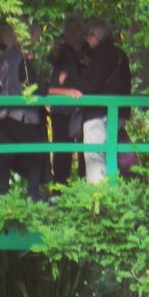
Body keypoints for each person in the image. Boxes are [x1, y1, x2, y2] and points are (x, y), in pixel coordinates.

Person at [0, 30, 50, 201]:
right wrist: (51, 89)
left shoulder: (3, 58)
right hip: (21, 116)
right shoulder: (21, 61)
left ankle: (4, 196)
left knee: (6, 155)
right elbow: (33, 88)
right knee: (38, 151)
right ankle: (32, 194)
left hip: (4, 116)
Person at [73, 17, 131, 183]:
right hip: (119, 113)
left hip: (98, 114)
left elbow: (91, 86)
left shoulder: (101, 54)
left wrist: (75, 85)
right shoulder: (120, 54)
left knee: (95, 156)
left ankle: (99, 199)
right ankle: (112, 195)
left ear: (95, 36)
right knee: (110, 154)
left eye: (88, 35)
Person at [47, 14, 87, 185]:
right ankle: (59, 189)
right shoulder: (62, 50)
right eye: (70, 29)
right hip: (62, 108)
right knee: (62, 151)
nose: (74, 33)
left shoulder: (88, 49)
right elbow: (53, 59)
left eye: (77, 29)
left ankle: (84, 188)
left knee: (86, 150)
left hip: (84, 106)